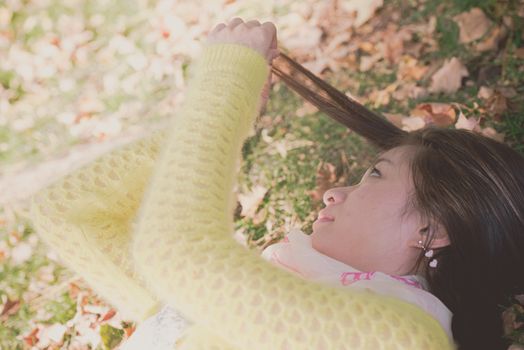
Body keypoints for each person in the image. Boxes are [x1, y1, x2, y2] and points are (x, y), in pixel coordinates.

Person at [28, 17, 523, 350]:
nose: (334, 193)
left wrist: (225, 91)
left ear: (432, 230)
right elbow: (68, 208)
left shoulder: (401, 334)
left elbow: (177, 256)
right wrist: (240, 120)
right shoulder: (262, 298)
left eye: (374, 174)